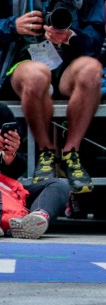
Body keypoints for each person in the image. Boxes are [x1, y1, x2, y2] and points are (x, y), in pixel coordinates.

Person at [0, 0, 104, 193]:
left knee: (92, 70)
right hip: (22, 63)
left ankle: (71, 152)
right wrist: (14, 25)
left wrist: (71, 37)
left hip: (68, 64)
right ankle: (46, 151)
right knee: (38, 74)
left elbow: (97, 38)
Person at [0, 102, 71, 239]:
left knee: (58, 185)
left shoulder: (2, 110)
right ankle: (9, 222)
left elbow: (15, 173)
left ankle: (35, 219)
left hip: (6, 191)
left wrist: (10, 156)